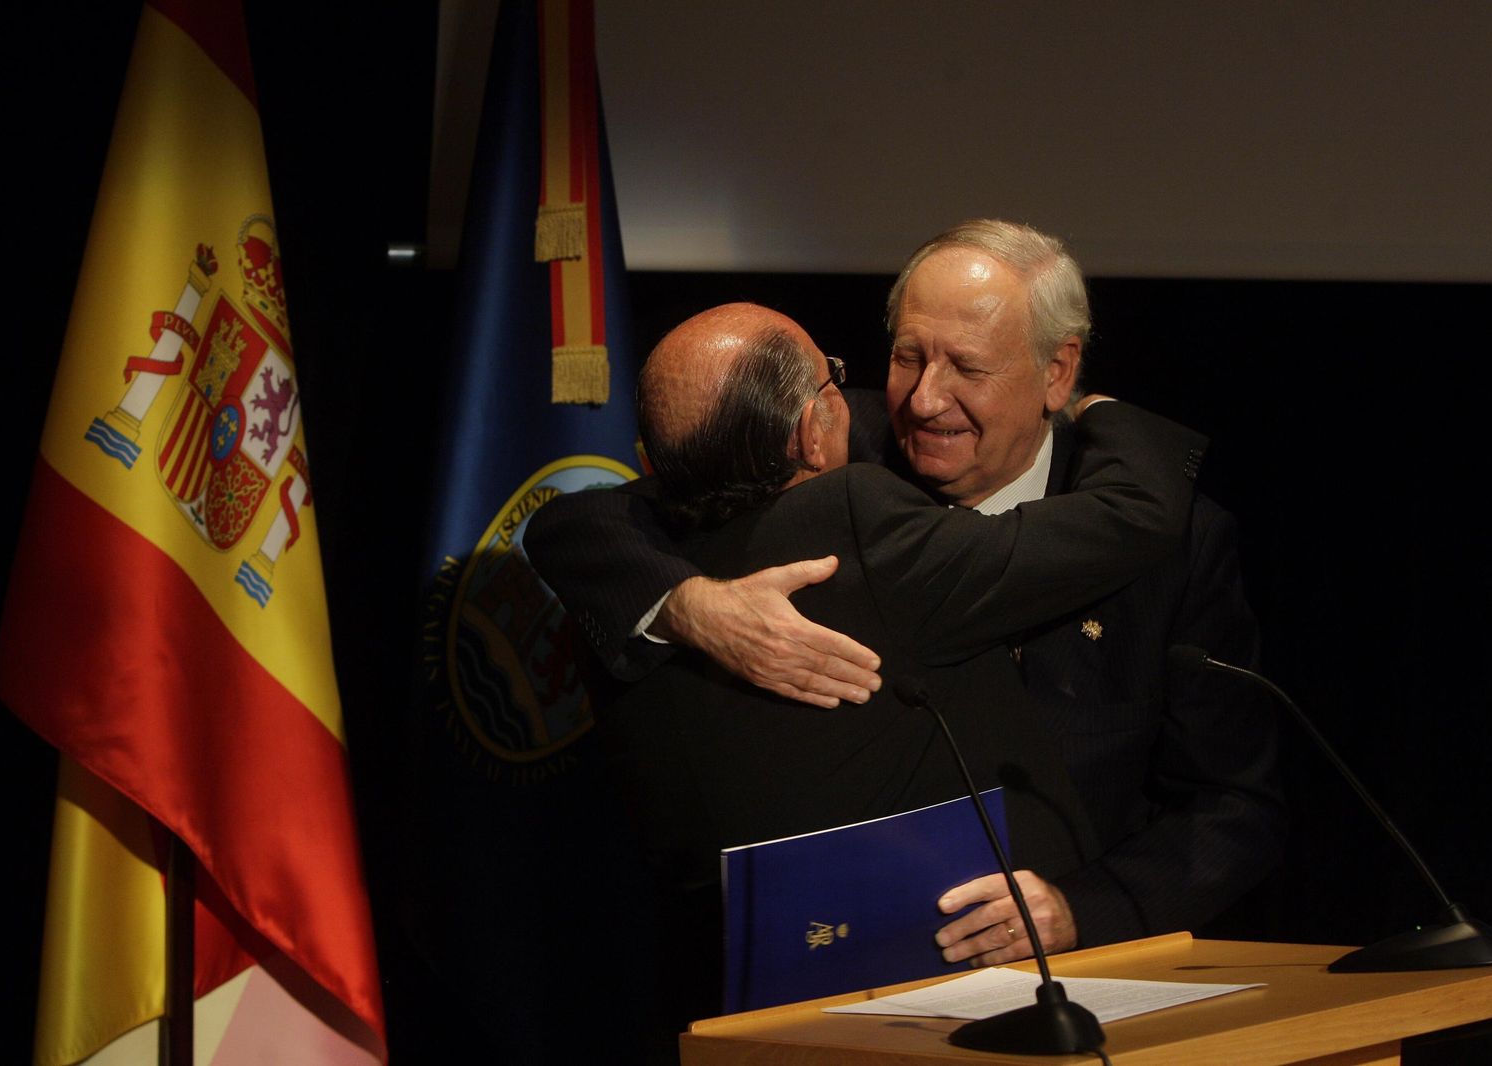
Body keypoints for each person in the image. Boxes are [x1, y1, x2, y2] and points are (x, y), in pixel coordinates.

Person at [526, 219, 1284, 971]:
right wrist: (693, 604)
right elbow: (581, 522)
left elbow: (1235, 807)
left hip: (1085, 985)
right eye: (907, 357)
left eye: (969, 368)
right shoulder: (833, 444)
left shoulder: (1170, 547)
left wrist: (1087, 908)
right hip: (840, 985)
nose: (925, 400)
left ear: (1057, 373)